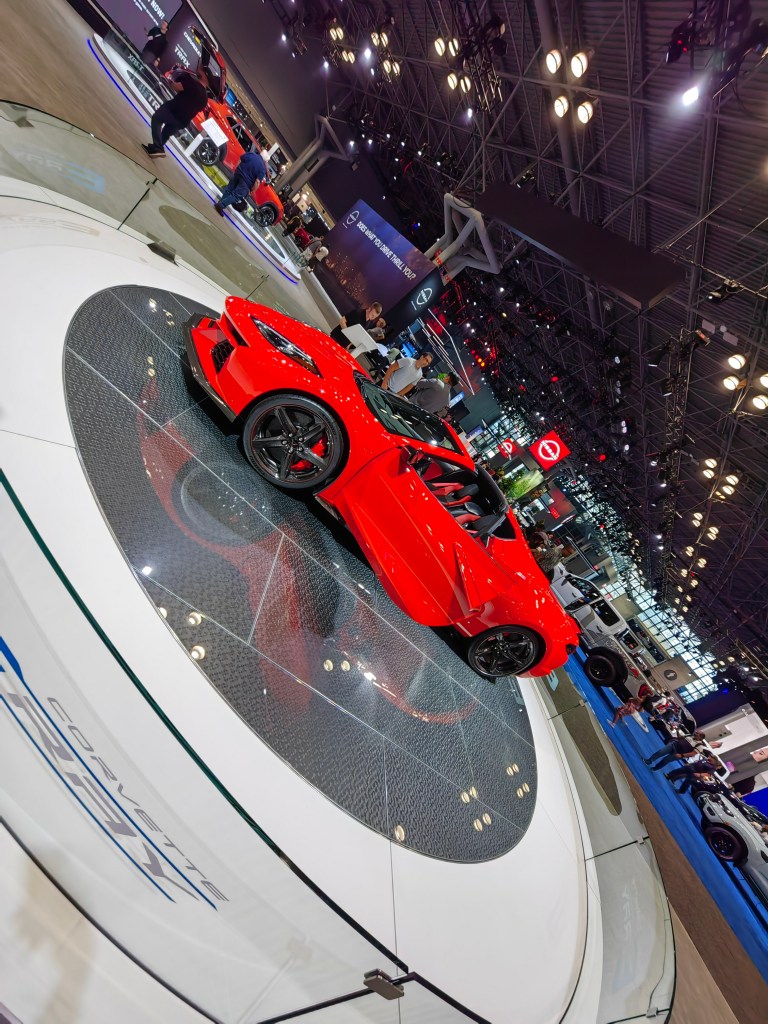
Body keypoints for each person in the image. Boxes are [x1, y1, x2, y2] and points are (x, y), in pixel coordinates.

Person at [143, 68, 209, 159]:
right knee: (166, 133)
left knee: (156, 119)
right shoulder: (205, 99)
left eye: (200, 69)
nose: (197, 70)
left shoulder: (193, 83)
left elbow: (176, 87)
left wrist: (170, 81)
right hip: (183, 121)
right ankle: (155, 150)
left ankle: (158, 147)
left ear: (204, 75)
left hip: (173, 110)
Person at [214, 150, 269, 215]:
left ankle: (220, 203)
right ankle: (221, 205)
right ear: (265, 160)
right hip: (246, 183)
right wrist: (252, 190)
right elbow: (257, 181)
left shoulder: (251, 154)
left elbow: (240, 160)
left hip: (238, 173)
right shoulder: (262, 168)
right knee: (236, 196)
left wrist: (236, 169)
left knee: (229, 189)